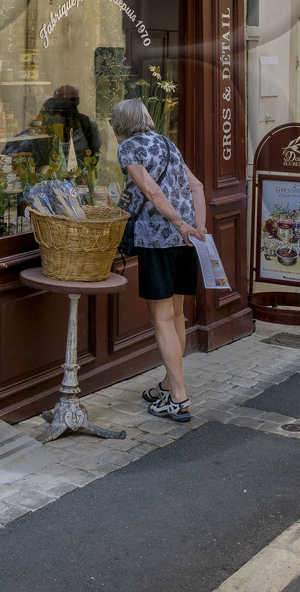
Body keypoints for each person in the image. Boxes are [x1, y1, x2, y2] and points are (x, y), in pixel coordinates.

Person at [112, 98, 208, 422]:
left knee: (161, 319)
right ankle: (169, 384)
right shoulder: (167, 143)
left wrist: (178, 224)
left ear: (119, 127)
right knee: (177, 314)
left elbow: (151, 192)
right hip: (186, 239)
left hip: (158, 238)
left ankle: (178, 398)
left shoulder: (128, 148)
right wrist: (198, 225)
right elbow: (197, 185)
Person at [35, 85, 101, 167]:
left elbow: (95, 153)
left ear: (77, 101)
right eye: (62, 99)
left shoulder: (87, 123)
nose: (66, 104)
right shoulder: (45, 123)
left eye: (71, 99)